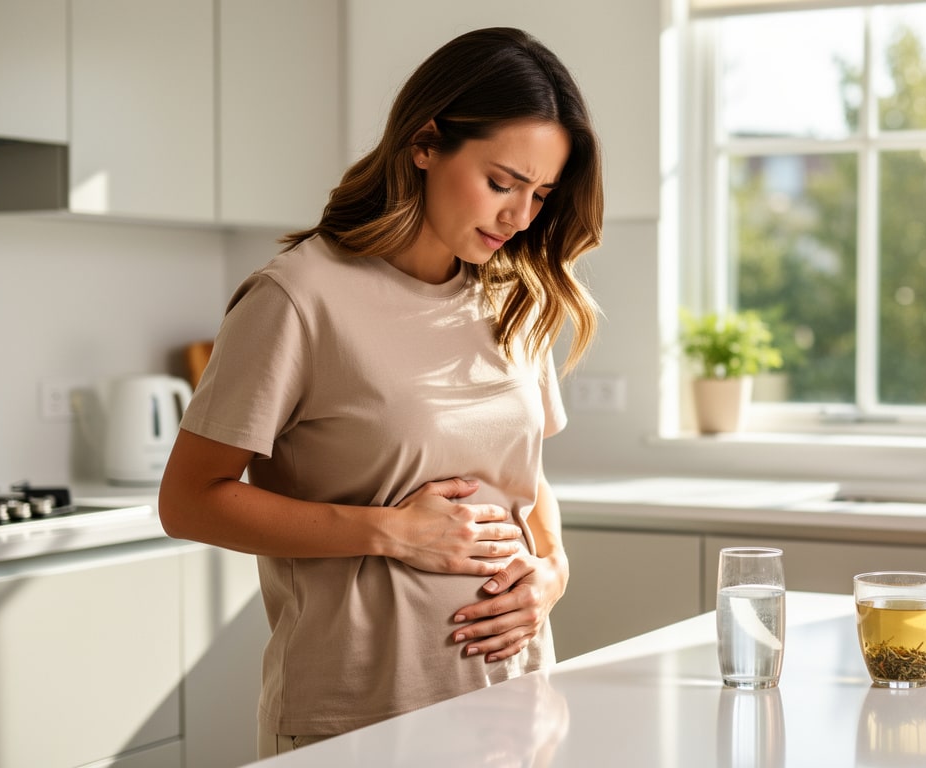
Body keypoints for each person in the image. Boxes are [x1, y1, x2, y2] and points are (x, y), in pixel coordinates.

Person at [158, 26, 602, 758]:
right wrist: (389, 532)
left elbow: (528, 480)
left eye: (540, 195)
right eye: (501, 183)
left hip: (514, 700)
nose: (519, 217)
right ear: (425, 143)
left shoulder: (514, 296)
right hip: (357, 719)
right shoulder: (299, 297)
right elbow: (189, 499)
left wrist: (551, 571)